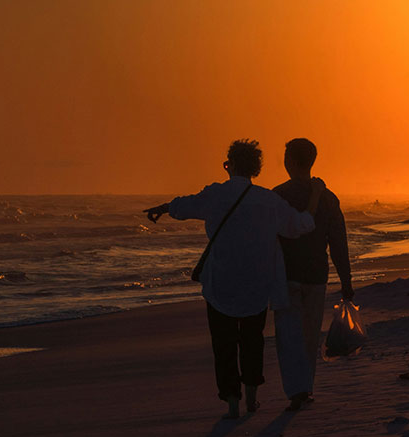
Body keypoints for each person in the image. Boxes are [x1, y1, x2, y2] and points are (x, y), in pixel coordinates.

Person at [142, 139, 322, 419]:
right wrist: (315, 197)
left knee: (223, 345)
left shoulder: (215, 194)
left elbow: (184, 207)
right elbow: (300, 225)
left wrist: (163, 208)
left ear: (232, 165)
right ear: (255, 168)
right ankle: (251, 398)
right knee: (252, 341)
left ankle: (232, 403)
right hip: (256, 286)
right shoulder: (268, 200)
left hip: (220, 285)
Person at [272, 138, 354, 411]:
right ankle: (305, 387)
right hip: (317, 275)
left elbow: (268, 240)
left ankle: (296, 389)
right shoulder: (329, 199)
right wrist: (346, 281)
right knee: (309, 335)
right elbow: (338, 242)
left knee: (288, 336)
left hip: (287, 276)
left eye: (285, 158)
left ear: (292, 161)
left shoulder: (278, 195)